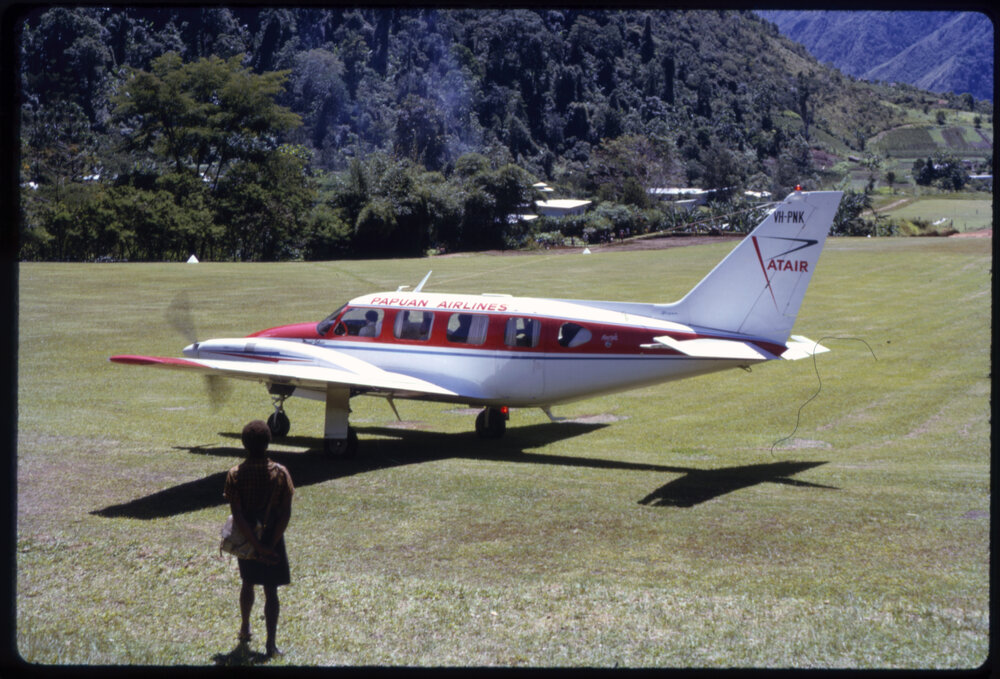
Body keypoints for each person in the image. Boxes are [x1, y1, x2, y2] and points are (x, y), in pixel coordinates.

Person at [223, 420, 294, 658]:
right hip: (273, 536)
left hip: (248, 537)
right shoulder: (281, 473)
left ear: (244, 444)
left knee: (247, 582)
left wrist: (255, 545)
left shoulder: (234, 475)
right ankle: (271, 645)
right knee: (271, 591)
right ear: (268, 442)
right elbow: (285, 513)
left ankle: (245, 629)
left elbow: (239, 515)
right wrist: (269, 546)